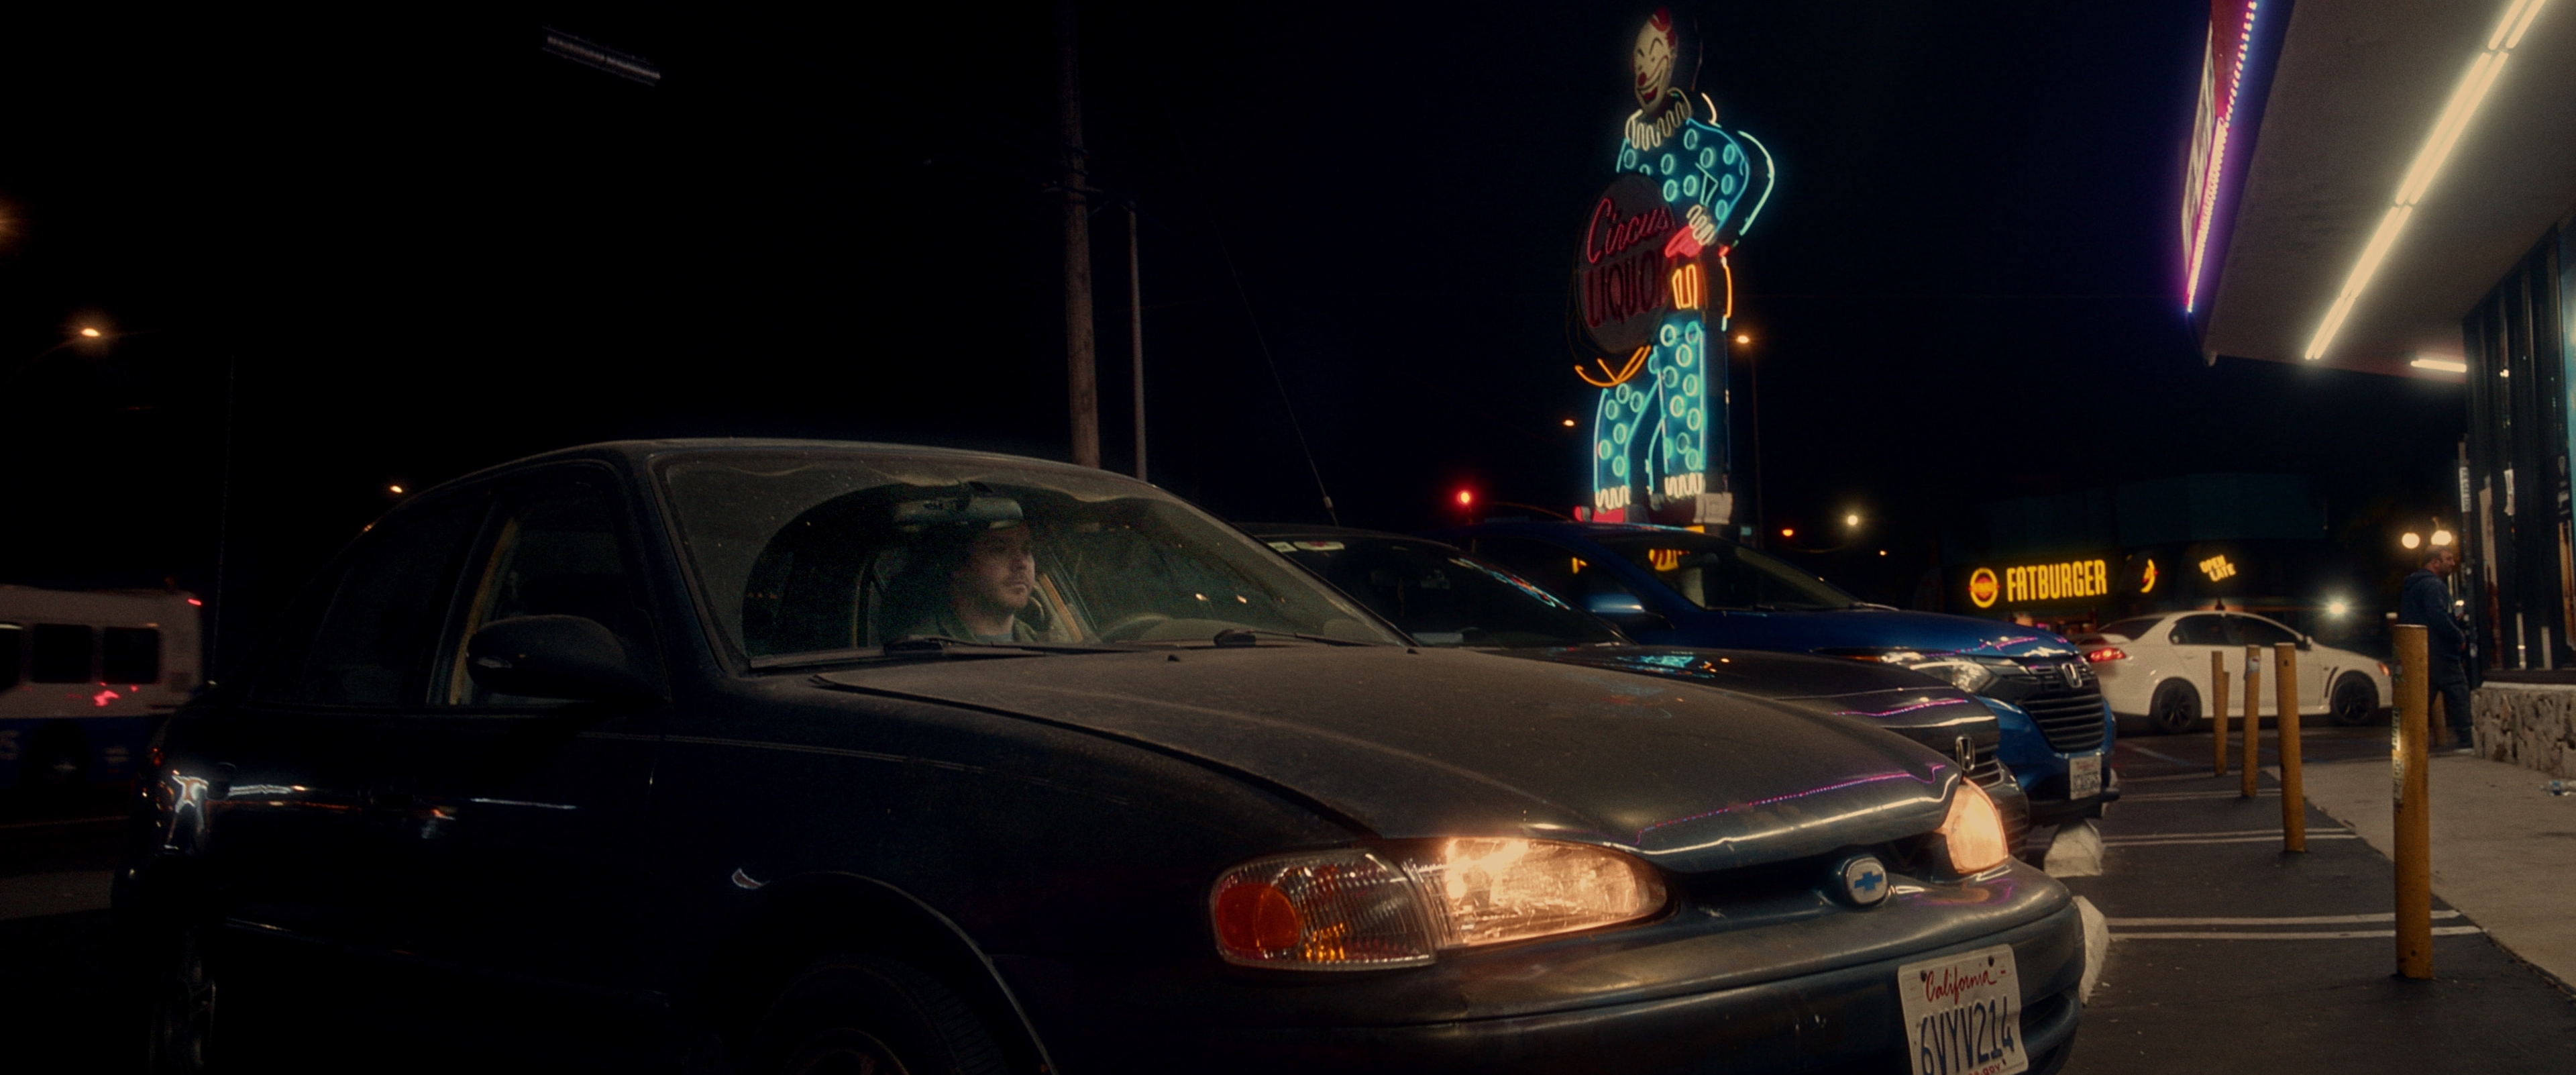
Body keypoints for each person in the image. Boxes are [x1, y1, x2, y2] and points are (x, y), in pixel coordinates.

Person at [900, 522, 1041, 644]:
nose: (1022, 563)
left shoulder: (1047, 644)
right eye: (999, 550)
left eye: (1027, 550)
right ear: (958, 564)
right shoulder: (919, 648)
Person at [2398, 546, 2473, 752]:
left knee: (2422, 699)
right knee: (2458, 692)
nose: (2453, 563)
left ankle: (2409, 743)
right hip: (2440, 650)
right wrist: (2458, 634)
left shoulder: (2413, 585)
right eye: (2448, 559)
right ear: (2434, 562)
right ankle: (2467, 739)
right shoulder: (2434, 585)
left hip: (2420, 651)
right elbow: (2437, 615)